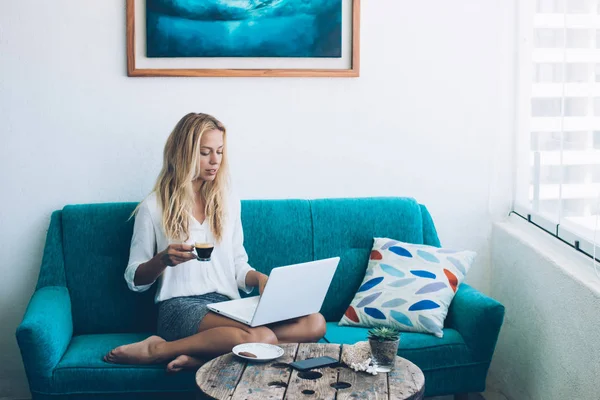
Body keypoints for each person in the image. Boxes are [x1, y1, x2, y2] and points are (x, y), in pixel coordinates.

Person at [104, 113, 326, 372]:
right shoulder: (153, 207)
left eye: (219, 152)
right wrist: (163, 259)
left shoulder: (228, 202)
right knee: (261, 338)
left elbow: (238, 266)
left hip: (228, 305)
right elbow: (135, 280)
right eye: (205, 152)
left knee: (314, 322)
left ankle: (201, 357)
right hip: (180, 308)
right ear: (183, 154)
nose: (215, 161)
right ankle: (159, 349)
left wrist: (260, 279)